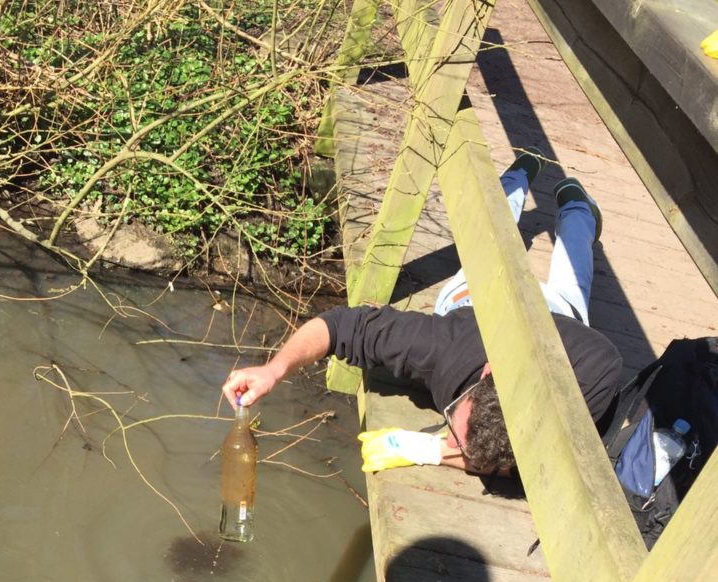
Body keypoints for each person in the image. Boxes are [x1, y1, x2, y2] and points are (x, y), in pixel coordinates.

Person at [222, 153, 623, 475]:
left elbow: (530, 465)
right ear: (487, 372)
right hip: (476, 303)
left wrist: (430, 450)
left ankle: (577, 207)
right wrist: (274, 369)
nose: (449, 442)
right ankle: (517, 177)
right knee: (488, 236)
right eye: (454, 429)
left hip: (561, 317)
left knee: (572, 281)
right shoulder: (445, 347)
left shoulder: (594, 371)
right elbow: (342, 326)